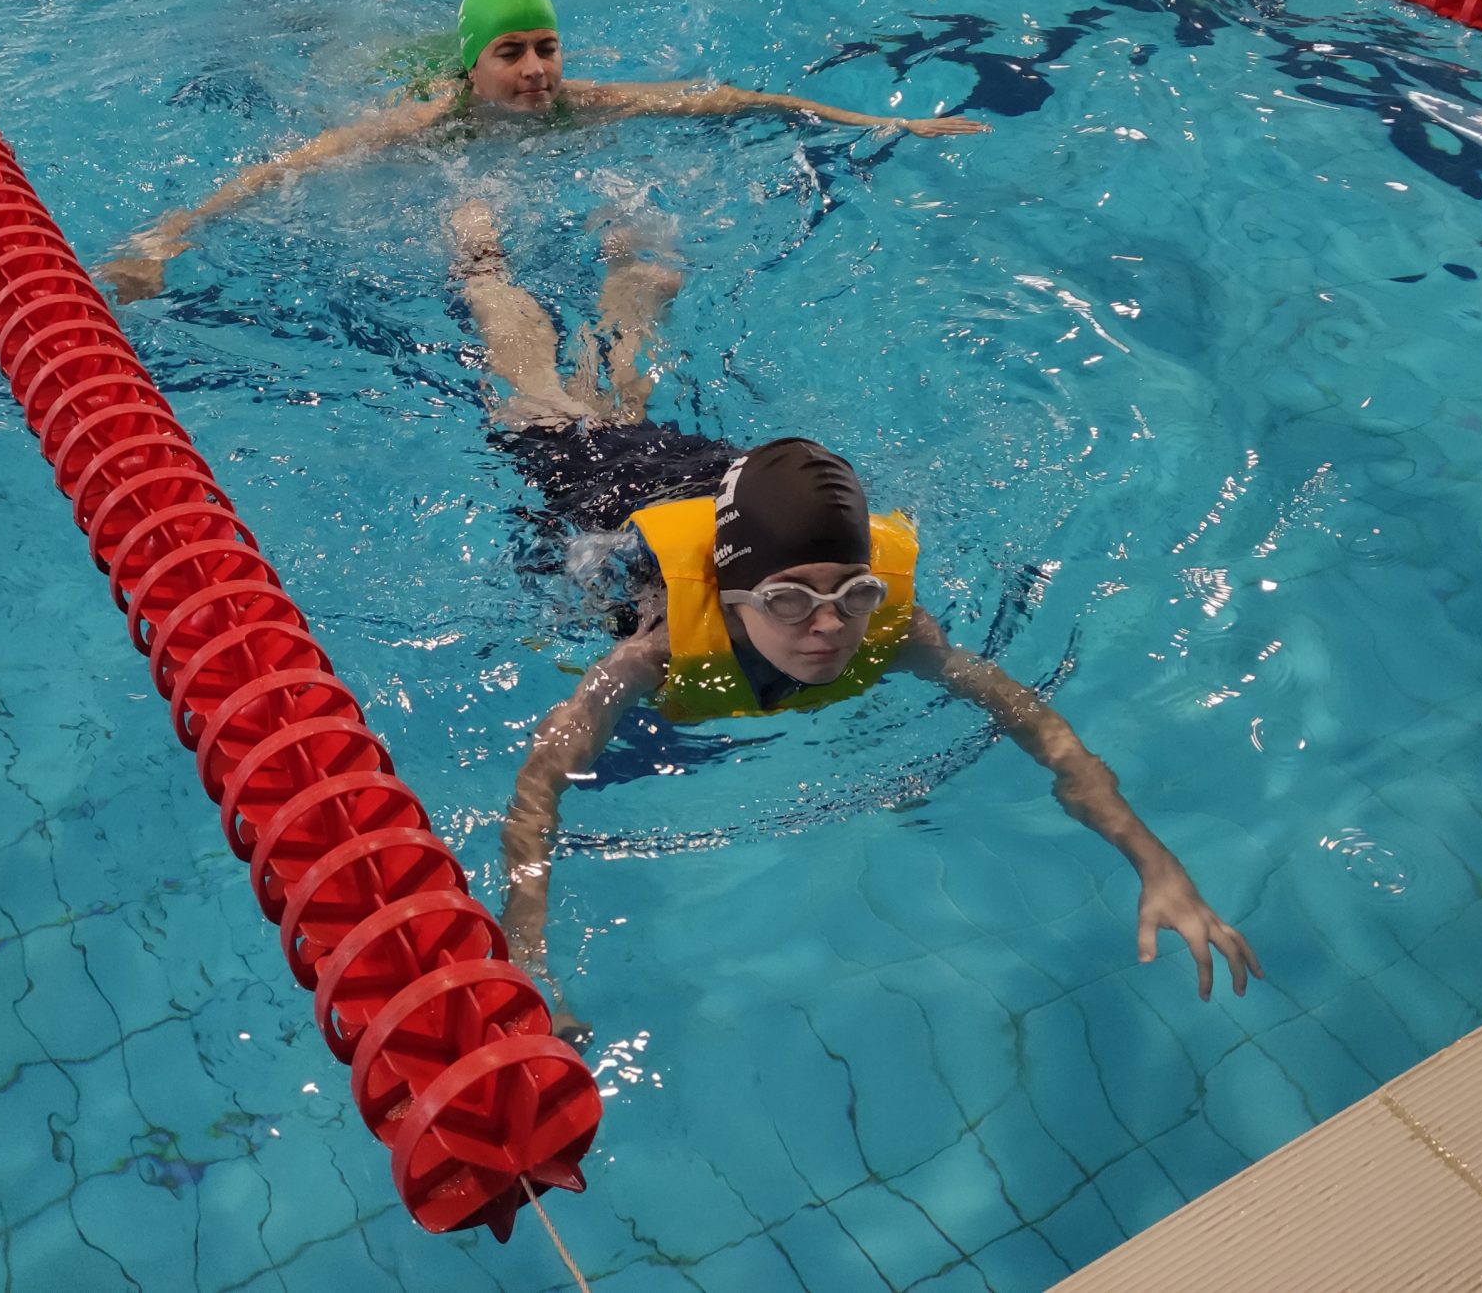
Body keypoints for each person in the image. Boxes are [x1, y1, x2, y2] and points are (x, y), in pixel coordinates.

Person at [490, 418, 1266, 1027]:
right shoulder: (649, 656)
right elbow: (538, 789)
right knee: (542, 409)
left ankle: (634, 302)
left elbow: (1044, 731)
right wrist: (530, 962)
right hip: (606, 489)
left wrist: (1155, 862)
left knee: (616, 399)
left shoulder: (901, 633)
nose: (830, 626)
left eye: (853, 593)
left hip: (748, 506)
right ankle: (490, 280)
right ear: (731, 598)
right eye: (790, 600)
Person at [94, 0, 988, 301]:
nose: (535, 70)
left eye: (546, 48)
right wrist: (166, 239)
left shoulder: (580, 103)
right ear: (473, 66)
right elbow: (288, 165)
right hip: (371, 64)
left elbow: (730, 100)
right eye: (511, 52)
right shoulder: (432, 120)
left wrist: (890, 121)